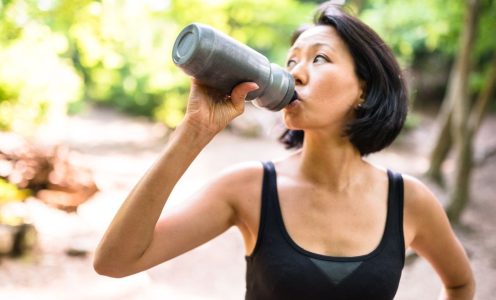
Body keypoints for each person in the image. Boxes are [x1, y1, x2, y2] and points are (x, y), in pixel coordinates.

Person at [94, 3, 475, 299]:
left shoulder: (409, 200)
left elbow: (459, 284)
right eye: (291, 60)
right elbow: (116, 260)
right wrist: (193, 131)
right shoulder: (248, 188)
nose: (295, 72)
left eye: (319, 58)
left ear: (363, 88)